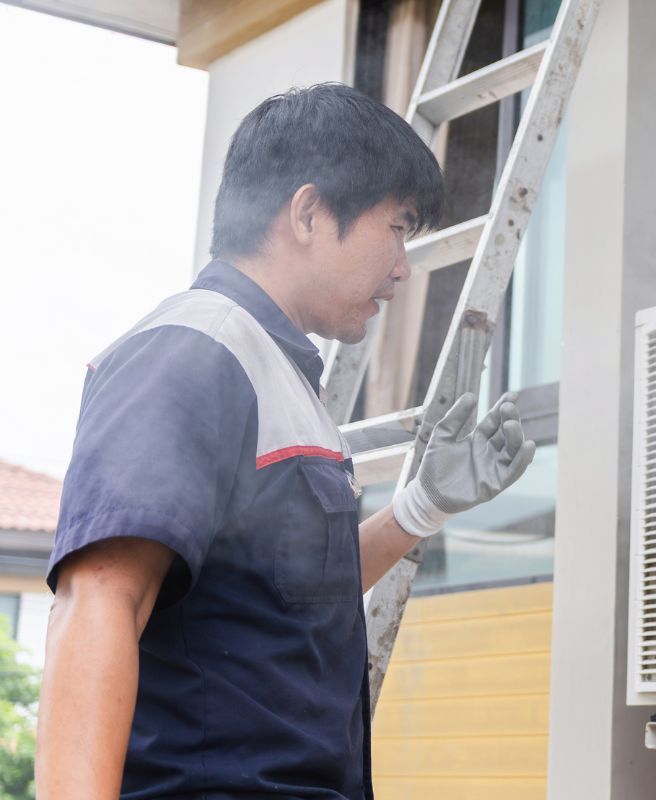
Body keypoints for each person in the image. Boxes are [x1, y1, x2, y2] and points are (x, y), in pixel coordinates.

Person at [37, 83, 536, 798]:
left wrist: (419, 508)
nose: (403, 266)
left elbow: (285, 593)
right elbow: (98, 602)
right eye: (397, 228)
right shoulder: (194, 348)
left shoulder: (280, 373)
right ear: (307, 213)